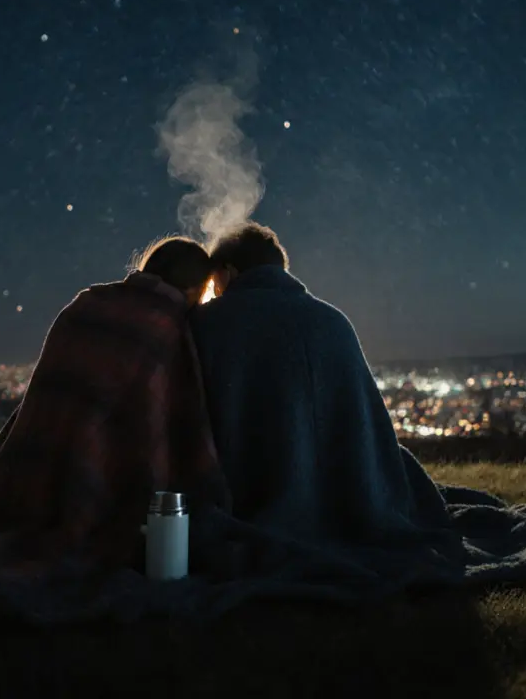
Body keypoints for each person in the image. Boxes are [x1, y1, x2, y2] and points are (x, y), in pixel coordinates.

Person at [188, 222, 462, 594]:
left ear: (228, 272)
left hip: (249, 497)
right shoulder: (334, 320)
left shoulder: (209, 323)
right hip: (351, 499)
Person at [0, 236, 230, 572]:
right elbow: (165, 423)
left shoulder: (87, 301)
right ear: (194, 288)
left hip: (21, 479)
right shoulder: (164, 325)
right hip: (87, 496)